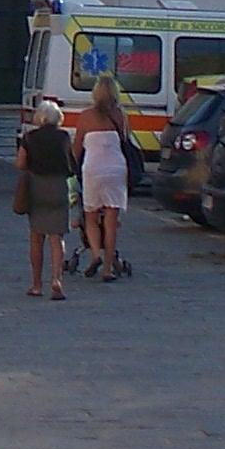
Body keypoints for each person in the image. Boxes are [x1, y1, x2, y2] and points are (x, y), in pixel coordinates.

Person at [76, 73, 135, 281]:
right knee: (111, 221)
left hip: (93, 169)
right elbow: (125, 141)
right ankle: (108, 268)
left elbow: (76, 149)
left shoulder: (85, 116)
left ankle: (95, 254)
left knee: (91, 217)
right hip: (116, 169)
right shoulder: (120, 116)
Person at [15, 98, 74, 299]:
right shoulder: (64, 137)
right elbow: (71, 164)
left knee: (36, 237)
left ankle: (37, 284)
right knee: (57, 238)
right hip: (58, 187)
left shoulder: (29, 137)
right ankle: (57, 279)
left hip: (36, 187)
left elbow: (21, 164)